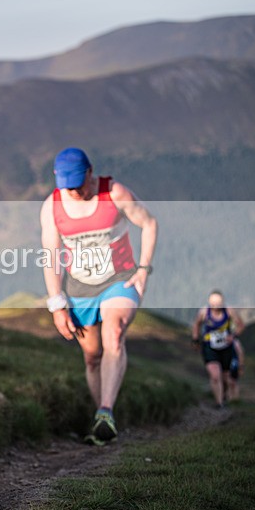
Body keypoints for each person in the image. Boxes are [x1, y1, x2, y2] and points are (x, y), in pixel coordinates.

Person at [40, 148, 158, 446]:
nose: (75, 191)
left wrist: (143, 269)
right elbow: (51, 257)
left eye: (79, 183)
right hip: (80, 289)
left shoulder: (114, 193)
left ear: (90, 172)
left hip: (120, 279)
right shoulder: (52, 207)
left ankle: (106, 410)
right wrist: (57, 305)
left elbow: (149, 223)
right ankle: (102, 417)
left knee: (114, 333)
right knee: (92, 356)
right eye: (68, 186)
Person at [192, 290, 245, 408]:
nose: (216, 306)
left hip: (226, 347)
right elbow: (196, 324)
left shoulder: (229, 311)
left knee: (226, 377)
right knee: (215, 375)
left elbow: (240, 325)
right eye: (213, 304)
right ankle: (219, 403)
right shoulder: (204, 312)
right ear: (209, 303)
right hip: (209, 347)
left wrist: (233, 336)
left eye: (218, 304)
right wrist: (195, 339)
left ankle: (224, 394)